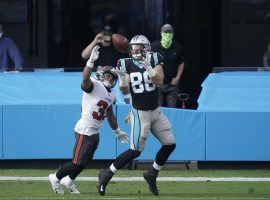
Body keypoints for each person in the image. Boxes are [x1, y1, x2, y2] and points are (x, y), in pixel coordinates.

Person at [97, 35, 176, 196]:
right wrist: (123, 81)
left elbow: (159, 81)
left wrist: (148, 66)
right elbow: (125, 91)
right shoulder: (125, 63)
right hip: (140, 113)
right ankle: (107, 173)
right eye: (133, 47)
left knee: (170, 144)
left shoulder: (154, 58)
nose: (135, 50)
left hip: (155, 111)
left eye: (139, 47)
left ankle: (152, 173)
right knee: (135, 151)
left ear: (146, 48)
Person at [48, 45, 129, 194]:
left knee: (85, 161)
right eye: (107, 75)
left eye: (112, 77)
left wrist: (117, 131)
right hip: (84, 130)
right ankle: (56, 177)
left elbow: (109, 114)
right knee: (76, 162)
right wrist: (90, 62)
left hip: (95, 131)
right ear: (100, 75)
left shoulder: (111, 95)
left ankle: (69, 180)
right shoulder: (95, 85)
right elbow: (85, 79)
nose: (110, 79)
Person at [151, 24, 185, 108]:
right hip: (158, 84)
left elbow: (181, 63)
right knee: (158, 109)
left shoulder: (177, 47)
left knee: (172, 109)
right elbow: (148, 61)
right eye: (165, 32)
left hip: (172, 84)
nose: (167, 34)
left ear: (172, 34)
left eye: (169, 32)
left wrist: (177, 78)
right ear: (161, 33)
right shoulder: (154, 46)